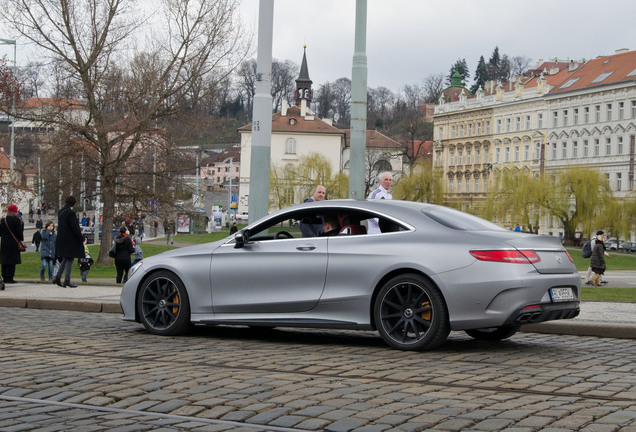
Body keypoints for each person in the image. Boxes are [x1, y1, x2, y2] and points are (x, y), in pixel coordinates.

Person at [53, 196, 84, 288]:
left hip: (61, 238)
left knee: (66, 258)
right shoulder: (71, 213)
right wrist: (81, 238)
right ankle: (67, 280)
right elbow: (74, 227)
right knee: (70, 258)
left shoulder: (61, 212)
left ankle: (58, 277)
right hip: (69, 239)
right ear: (74, 204)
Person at [0, 204, 25, 284]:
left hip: (4, 242)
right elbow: (19, 234)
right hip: (13, 243)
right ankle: (10, 277)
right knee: (12, 261)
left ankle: (4, 276)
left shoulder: (3, 220)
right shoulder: (16, 220)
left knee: (4, 260)